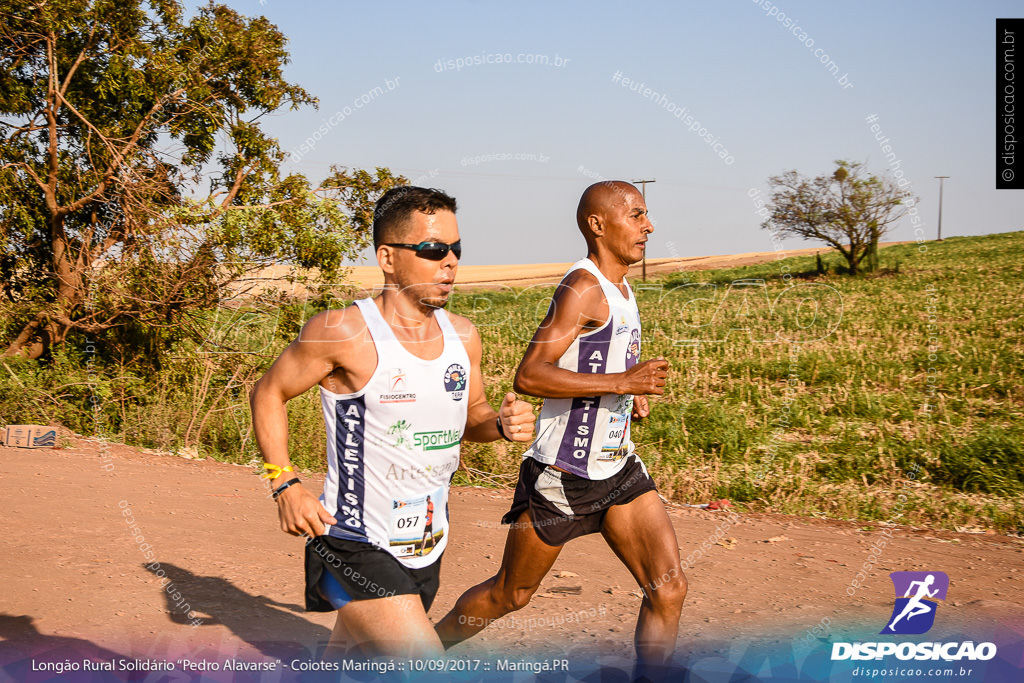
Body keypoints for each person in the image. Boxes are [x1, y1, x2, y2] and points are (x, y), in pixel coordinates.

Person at [249, 186, 536, 659]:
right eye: (432, 249)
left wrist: (501, 425)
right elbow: (268, 392)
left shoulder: (463, 336)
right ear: (387, 257)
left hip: (425, 542)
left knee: (348, 659)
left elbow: (474, 418)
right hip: (352, 542)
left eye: (456, 249)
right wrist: (284, 483)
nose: (450, 261)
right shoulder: (342, 331)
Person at [436, 181, 686, 679]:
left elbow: (593, 364)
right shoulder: (582, 287)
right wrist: (622, 380)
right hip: (563, 473)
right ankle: (421, 651)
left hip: (618, 469)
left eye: (647, 216)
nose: (649, 226)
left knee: (669, 589)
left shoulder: (622, 288)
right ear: (598, 225)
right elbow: (530, 374)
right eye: (636, 216)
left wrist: (626, 393)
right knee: (512, 594)